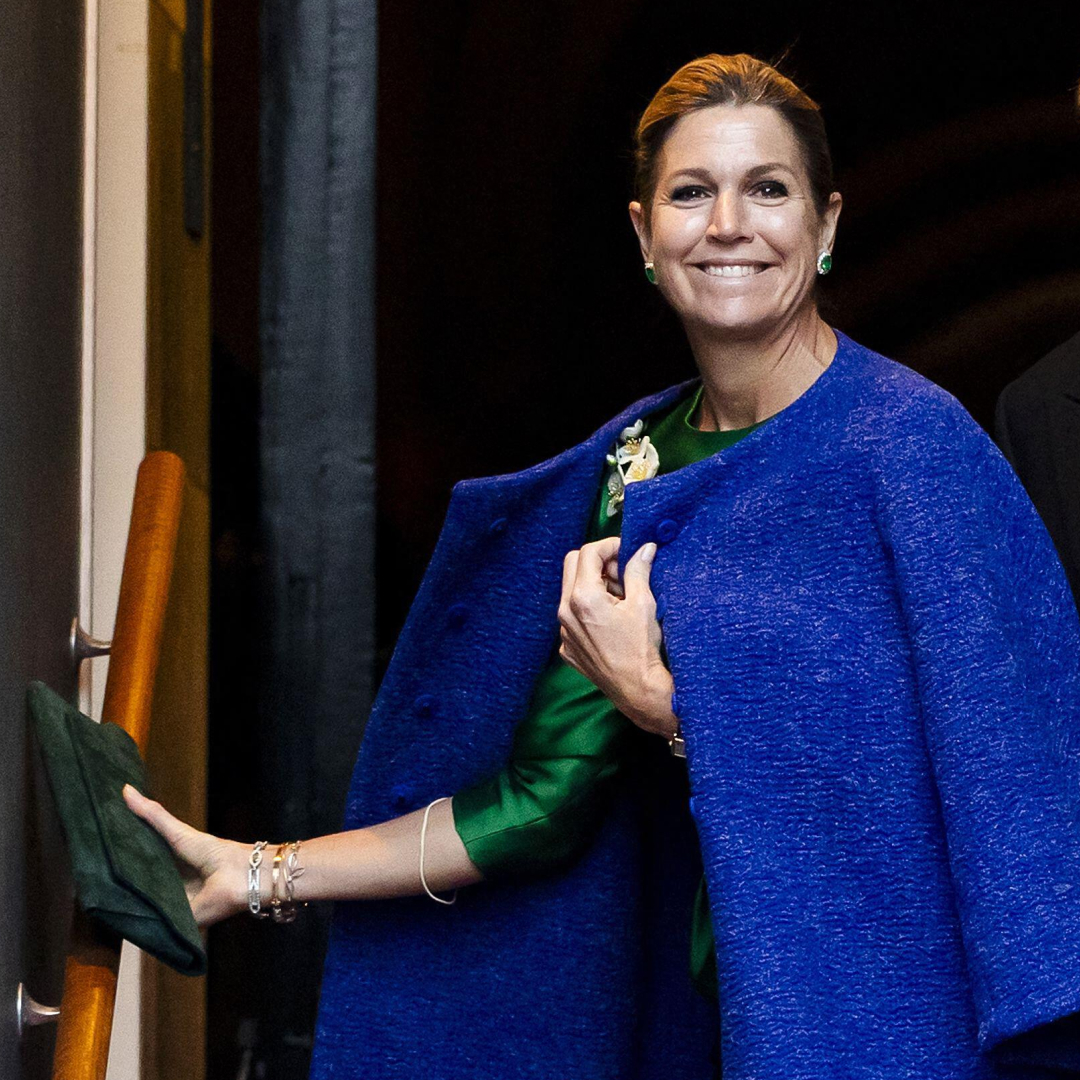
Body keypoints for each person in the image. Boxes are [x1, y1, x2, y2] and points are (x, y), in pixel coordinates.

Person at [124, 52, 1080, 1080]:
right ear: (643, 233)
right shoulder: (637, 471)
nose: (729, 225)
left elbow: (1009, 791)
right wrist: (256, 873)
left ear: (828, 225)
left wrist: (667, 706)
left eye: (768, 189)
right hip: (715, 1035)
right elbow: (540, 801)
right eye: (690, 192)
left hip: (893, 1034)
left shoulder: (916, 450)